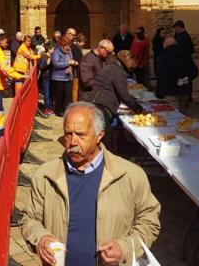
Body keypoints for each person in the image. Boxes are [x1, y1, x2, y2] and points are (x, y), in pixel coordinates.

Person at [21, 102, 161, 266]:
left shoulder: (130, 175)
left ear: (99, 135)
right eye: (68, 134)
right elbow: (29, 219)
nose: (72, 142)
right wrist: (41, 238)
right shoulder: (45, 175)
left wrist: (124, 248)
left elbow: (149, 221)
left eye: (81, 135)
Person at [92, 51, 144, 148]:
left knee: (103, 137)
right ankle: (107, 160)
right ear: (128, 61)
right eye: (133, 65)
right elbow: (124, 94)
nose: (133, 68)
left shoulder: (111, 66)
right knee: (105, 142)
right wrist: (139, 109)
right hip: (102, 106)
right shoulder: (117, 70)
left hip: (96, 103)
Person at [157, 37, 198, 114]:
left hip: (170, 89)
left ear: (165, 46)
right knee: (183, 114)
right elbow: (194, 71)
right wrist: (187, 79)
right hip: (185, 89)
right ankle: (183, 125)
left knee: (172, 113)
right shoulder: (186, 54)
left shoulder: (163, 55)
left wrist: (176, 80)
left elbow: (161, 73)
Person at [50, 37, 77, 117]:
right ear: (62, 45)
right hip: (58, 78)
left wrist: (73, 62)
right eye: (67, 46)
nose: (69, 48)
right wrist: (67, 62)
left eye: (69, 46)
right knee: (59, 96)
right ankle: (59, 111)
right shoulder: (56, 52)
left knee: (68, 96)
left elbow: (71, 60)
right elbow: (56, 63)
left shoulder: (69, 51)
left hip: (68, 77)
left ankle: (66, 111)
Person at [39, 43, 55, 117]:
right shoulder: (44, 56)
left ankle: (50, 108)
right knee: (46, 94)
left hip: (51, 77)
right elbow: (41, 67)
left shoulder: (52, 56)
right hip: (46, 77)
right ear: (49, 49)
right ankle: (46, 109)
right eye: (52, 49)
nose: (54, 50)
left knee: (51, 94)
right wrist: (47, 63)